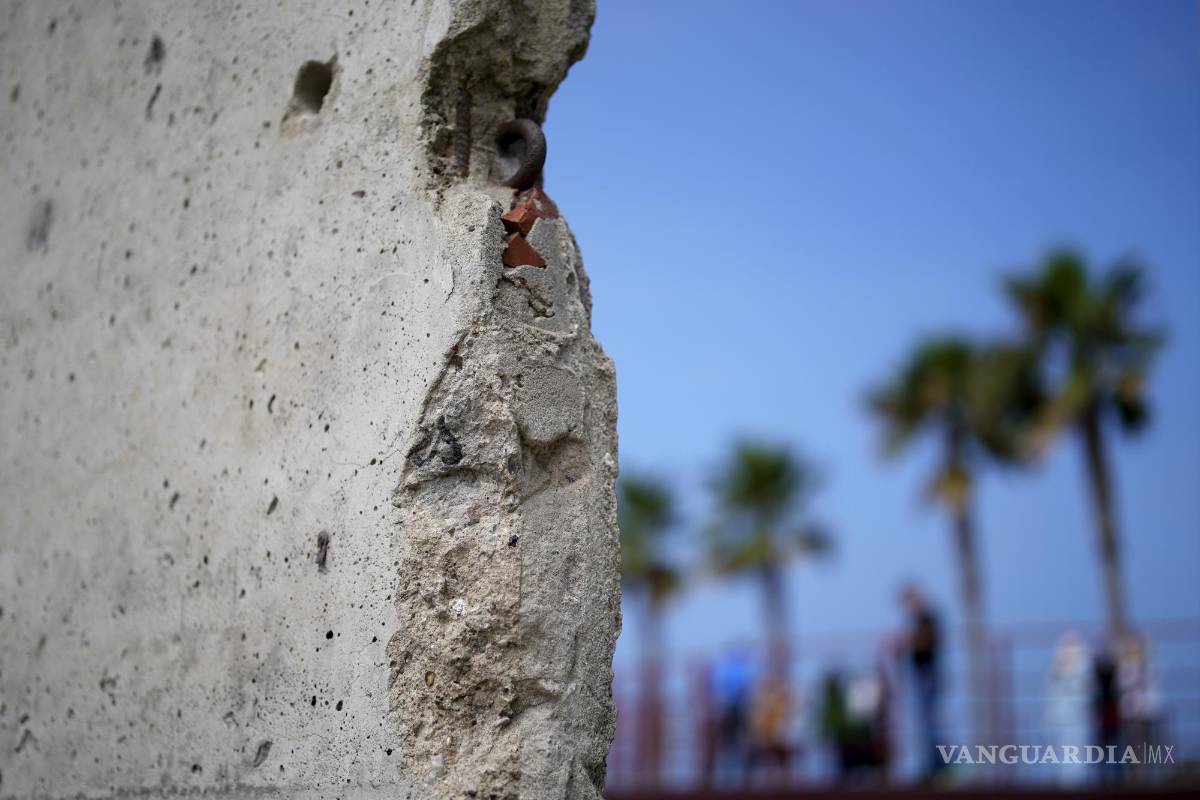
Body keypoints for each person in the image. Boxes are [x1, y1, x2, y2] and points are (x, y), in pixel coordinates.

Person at [899, 583, 944, 780]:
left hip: (927, 676)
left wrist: (908, 642)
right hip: (924, 676)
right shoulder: (922, 620)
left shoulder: (926, 620)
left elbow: (926, 643)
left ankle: (937, 763)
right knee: (926, 722)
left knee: (929, 722)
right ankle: (933, 762)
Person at [1044, 631, 1093, 787]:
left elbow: (1083, 696)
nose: (1067, 652)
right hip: (1058, 725)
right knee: (1059, 763)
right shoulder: (1056, 671)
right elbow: (1051, 698)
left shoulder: (1083, 670)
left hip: (1075, 726)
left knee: (1074, 765)